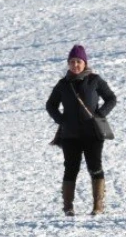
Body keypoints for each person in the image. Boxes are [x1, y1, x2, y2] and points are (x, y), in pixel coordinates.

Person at [46, 45, 118, 216]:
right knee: (71, 168)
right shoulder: (63, 84)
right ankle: (68, 206)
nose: (75, 65)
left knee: (95, 166)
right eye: (72, 62)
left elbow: (111, 98)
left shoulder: (95, 80)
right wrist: (61, 120)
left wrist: (100, 113)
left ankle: (98, 206)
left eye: (78, 61)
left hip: (93, 133)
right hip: (70, 135)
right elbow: (51, 105)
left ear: (85, 63)